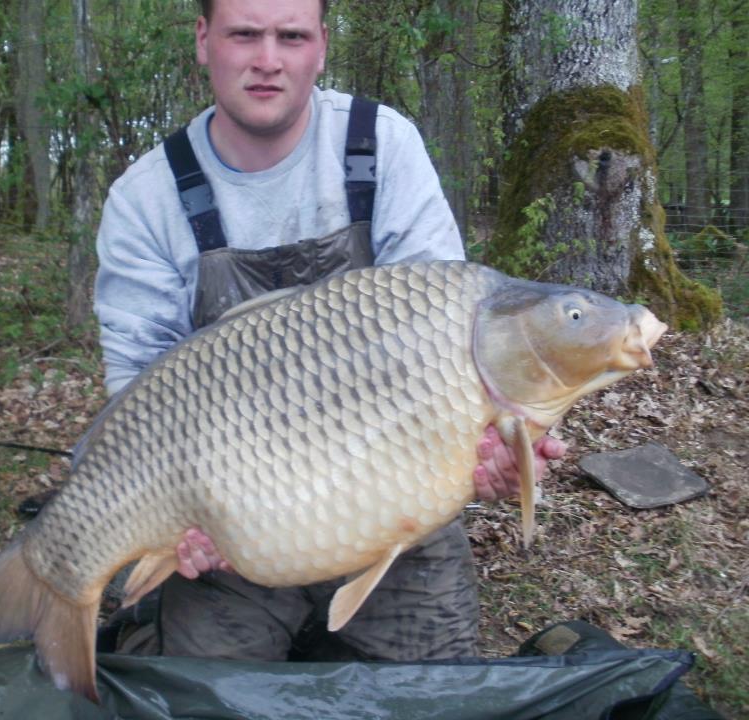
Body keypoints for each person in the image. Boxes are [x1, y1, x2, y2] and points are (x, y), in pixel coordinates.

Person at [93, 0, 566, 661]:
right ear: (204, 40)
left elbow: (452, 333)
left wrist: (487, 450)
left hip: (392, 488)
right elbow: (136, 402)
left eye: (290, 36)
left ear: (320, 44)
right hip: (237, 515)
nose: (267, 59)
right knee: (211, 695)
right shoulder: (146, 200)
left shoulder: (381, 145)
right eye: (243, 35)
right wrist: (179, 525)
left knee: (432, 692)